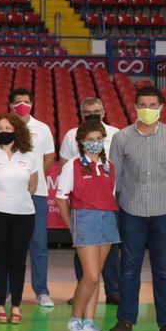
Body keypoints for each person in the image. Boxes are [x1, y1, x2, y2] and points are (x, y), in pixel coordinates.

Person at [108, 85, 166, 331]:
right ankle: (125, 320)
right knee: (129, 268)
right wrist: (125, 201)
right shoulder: (121, 138)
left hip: (163, 210)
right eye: (142, 105)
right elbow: (115, 177)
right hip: (130, 210)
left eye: (152, 105)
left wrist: (160, 195)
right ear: (135, 107)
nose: (147, 109)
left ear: (161, 108)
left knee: (164, 269)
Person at [53, 119, 117, 331]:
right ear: (81, 141)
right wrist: (72, 225)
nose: (95, 143)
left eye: (99, 139)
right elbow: (61, 198)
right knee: (89, 275)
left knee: (96, 275)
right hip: (85, 219)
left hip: (108, 220)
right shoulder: (72, 165)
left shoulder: (110, 166)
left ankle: (89, 321)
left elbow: (111, 195)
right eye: (90, 140)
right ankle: (74, 319)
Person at [59, 96, 123, 305]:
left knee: (111, 252)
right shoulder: (71, 136)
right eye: (88, 112)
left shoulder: (116, 134)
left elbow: (119, 166)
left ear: (104, 112)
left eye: (96, 110)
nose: (93, 114)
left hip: (107, 205)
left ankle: (113, 291)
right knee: (87, 267)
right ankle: (81, 293)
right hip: (84, 209)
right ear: (82, 114)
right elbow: (64, 164)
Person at [0, 113, 39, 325]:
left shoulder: (29, 157)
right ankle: (0, 306)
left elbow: (32, 187)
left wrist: (17, 200)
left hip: (24, 215)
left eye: (8, 128)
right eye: (1, 128)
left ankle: (16, 305)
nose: (4, 131)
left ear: (17, 130)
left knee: (18, 261)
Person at [7, 88, 57, 309]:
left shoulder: (42, 129)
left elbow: (49, 157)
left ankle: (42, 291)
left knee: (38, 243)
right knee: (9, 245)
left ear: (32, 104)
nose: (22, 105)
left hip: (36, 194)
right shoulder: (4, 127)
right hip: (8, 195)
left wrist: (33, 178)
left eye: (26, 101)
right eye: (17, 102)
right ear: (10, 106)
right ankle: (5, 291)